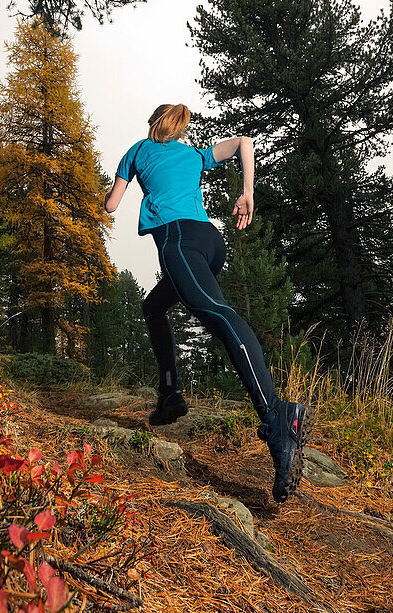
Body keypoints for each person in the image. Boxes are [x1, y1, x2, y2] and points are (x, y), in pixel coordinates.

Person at [103, 103, 309, 503]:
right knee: (153, 306)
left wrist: (103, 197)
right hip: (209, 243)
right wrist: (247, 194)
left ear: (152, 124)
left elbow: (112, 204)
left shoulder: (137, 152)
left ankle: (277, 417)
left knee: (217, 313)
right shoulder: (191, 153)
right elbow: (244, 143)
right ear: (178, 127)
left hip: (178, 240)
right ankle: (169, 395)